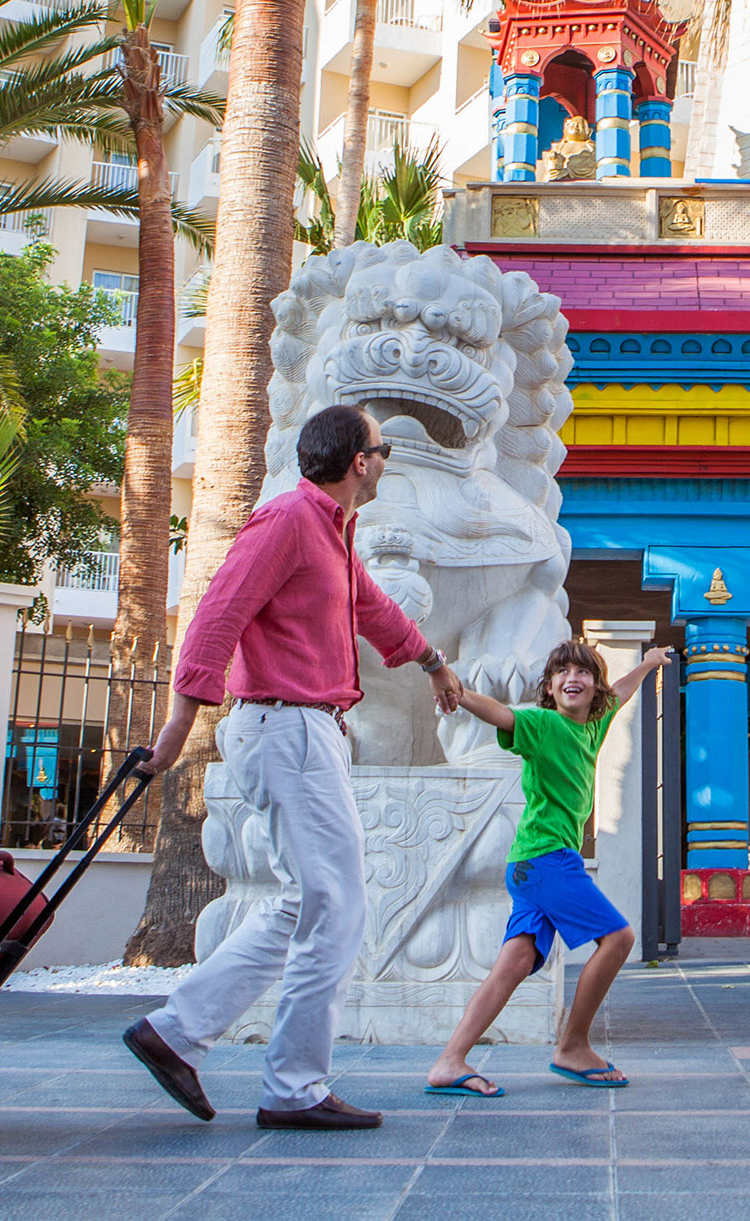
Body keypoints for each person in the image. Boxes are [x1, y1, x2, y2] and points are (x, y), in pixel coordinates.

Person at [122, 403, 464, 1132]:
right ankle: (294, 1086)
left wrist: (433, 663)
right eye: (382, 449)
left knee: (304, 901)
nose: (385, 460)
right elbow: (217, 613)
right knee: (336, 903)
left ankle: (176, 1030)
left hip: (304, 729)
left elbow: (372, 610)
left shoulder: (331, 534)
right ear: (358, 461)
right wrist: (180, 724)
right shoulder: (286, 521)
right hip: (286, 724)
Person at [424, 638, 670, 1097]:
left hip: (529, 865)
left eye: (582, 673)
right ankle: (573, 1047)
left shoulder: (594, 728)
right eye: (561, 673)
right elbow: (502, 714)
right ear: (550, 688)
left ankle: (449, 1061)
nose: (572, 678)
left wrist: (650, 663)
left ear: (594, 689)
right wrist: (460, 694)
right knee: (619, 938)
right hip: (545, 859)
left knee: (514, 962)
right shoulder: (542, 724)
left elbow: (623, 688)